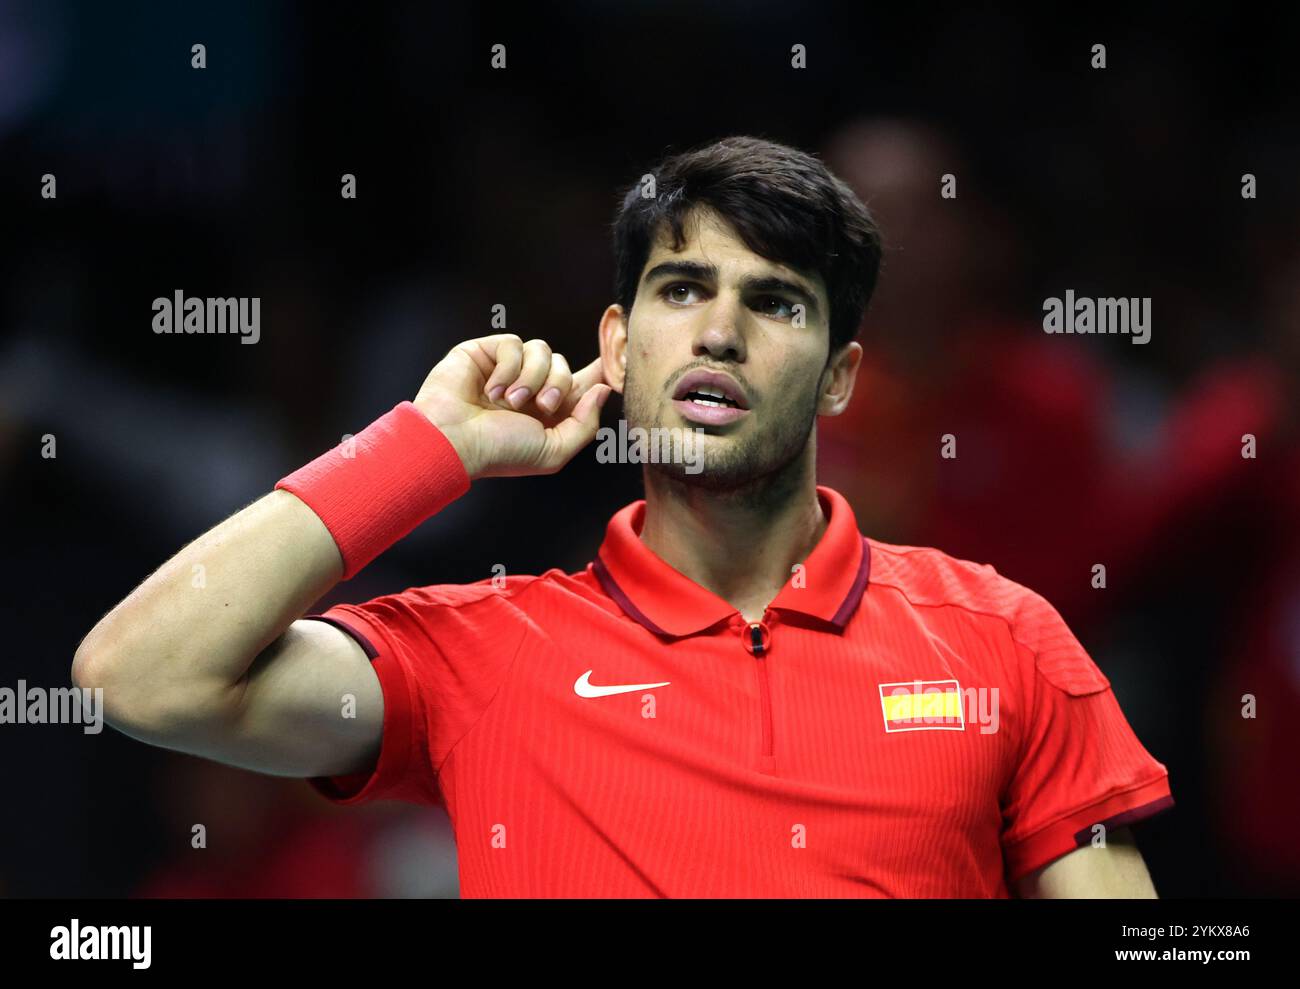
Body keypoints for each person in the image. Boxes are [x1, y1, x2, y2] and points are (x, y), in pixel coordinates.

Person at [74, 136, 1172, 897]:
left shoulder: (1002, 637)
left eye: (775, 301)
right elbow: (138, 674)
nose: (720, 332)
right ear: (615, 344)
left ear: (839, 377)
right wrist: (425, 447)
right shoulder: (485, 653)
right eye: (682, 289)